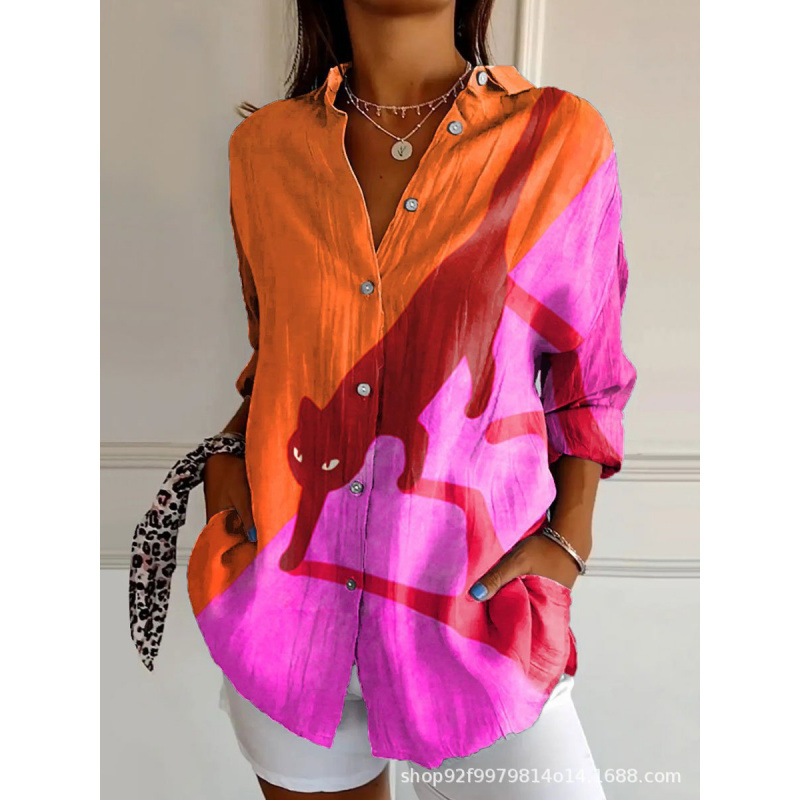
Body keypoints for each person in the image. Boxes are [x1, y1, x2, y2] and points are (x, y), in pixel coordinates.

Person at [198, 1, 637, 797]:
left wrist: (570, 541)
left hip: (478, 623)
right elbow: (280, 353)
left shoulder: (557, 141)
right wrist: (226, 464)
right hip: (286, 619)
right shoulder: (263, 152)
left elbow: (590, 373)